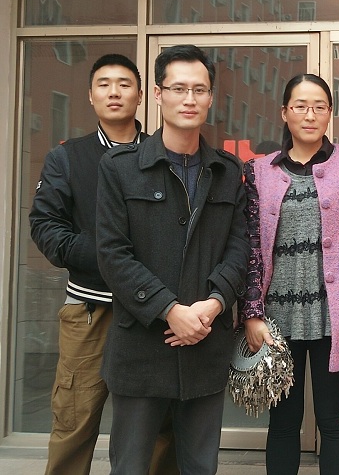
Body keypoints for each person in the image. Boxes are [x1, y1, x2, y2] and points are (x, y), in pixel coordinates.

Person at [96, 44, 249, 475]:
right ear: (158, 94)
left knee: (200, 466)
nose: (189, 99)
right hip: (142, 345)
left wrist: (213, 304)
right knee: (130, 465)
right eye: (178, 88)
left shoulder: (227, 170)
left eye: (199, 89)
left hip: (205, 342)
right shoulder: (120, 167)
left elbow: (240, 247)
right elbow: (113, 254)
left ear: (210, 97)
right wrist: (169, 310)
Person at [29, 54, 177, 475]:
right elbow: (45, 226)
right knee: (74, 418)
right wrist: (109, 257)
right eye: (104, 84)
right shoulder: (68, 157)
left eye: (124, 84)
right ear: (90, 96)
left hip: (153, 312)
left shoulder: (166, 153)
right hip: (90, 309)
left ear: (142, 95)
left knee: (159, 425)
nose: (115, 92)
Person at [239, 73, 339, 475]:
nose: (310, 115)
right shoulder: (258, 170)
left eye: (319, 106)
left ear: (330, 113)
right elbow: (250, 247)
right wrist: (251, 313)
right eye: (300, 106)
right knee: (283, 423)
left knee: (333, 420)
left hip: (333, 316)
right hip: (276, 318)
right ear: (284, 112)